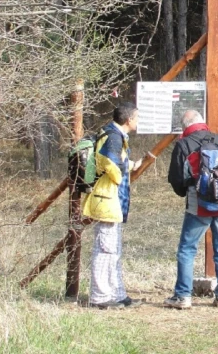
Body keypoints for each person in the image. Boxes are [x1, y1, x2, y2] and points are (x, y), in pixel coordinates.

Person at [165, 110, 218, 310]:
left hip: (200, 205)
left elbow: (176, 179)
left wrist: (185, 192)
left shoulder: (184, 145)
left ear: (185, 126)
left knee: (187, 249)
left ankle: (183, 296)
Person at [82, 102, 145, 309]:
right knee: (105, 249)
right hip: (106, 198)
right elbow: (108, 162)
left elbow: (116, 161)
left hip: (110, 200)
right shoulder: (114, 137)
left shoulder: (112, 134)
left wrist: (127, 165)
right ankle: (100, 297)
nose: (138, 120)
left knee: (113, 249)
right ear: (129, 120)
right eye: (137, 117)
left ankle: (118, 294)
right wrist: (121, 174)